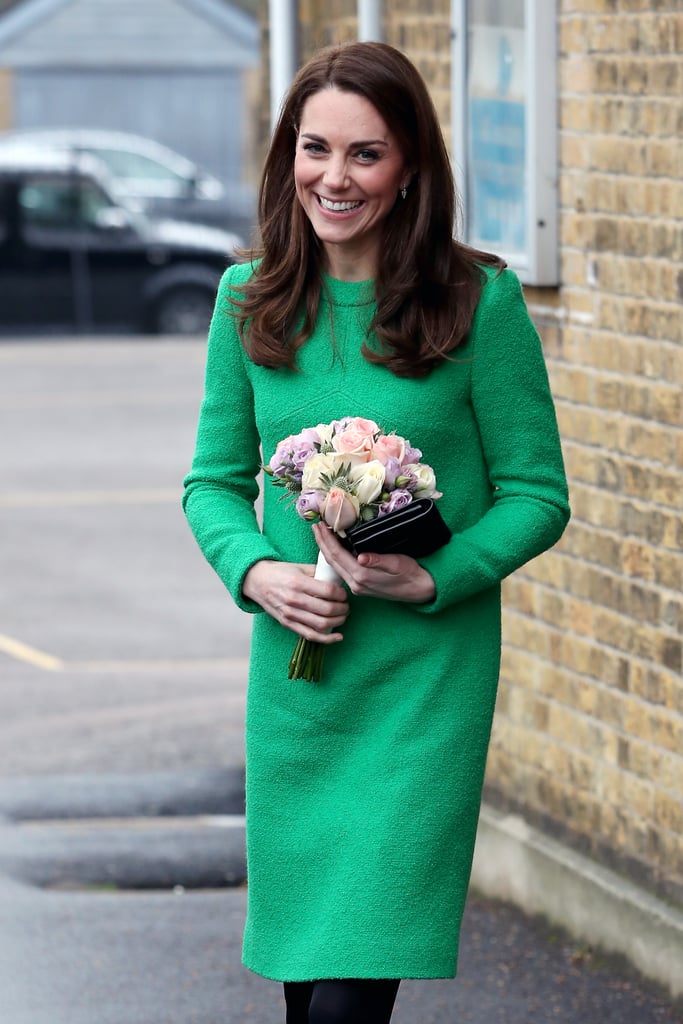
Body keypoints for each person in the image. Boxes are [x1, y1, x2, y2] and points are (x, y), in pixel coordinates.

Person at [183, 40, 570, 1024]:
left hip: (421, 685)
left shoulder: (478, 302)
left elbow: (534, 491)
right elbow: (212, 485)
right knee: (305, 987)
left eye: (366, 154)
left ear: (409, 170)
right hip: (299, 681)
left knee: (349, 998)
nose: (334, 177)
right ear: (288, 157)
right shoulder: (247, 298)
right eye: (315, 149)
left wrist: (439, 579)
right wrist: (259, 573)